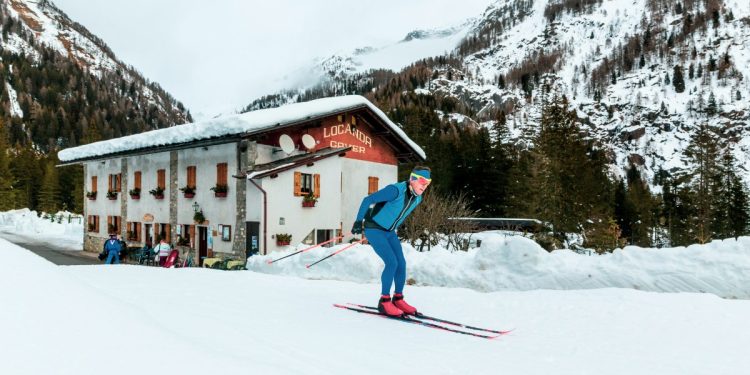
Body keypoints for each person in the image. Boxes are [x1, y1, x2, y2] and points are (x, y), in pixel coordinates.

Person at [352, 166, 431, 317]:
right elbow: (368, 200)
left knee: (401, 263)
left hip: (389, 232)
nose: (425, 184)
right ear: (412, 179)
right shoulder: (395, 190)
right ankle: (384, 301)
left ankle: (398, 299)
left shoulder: (417, 198)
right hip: (374, 229)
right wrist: (358, 221)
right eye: (422, 180)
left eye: (428, 182)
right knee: (392, 263)